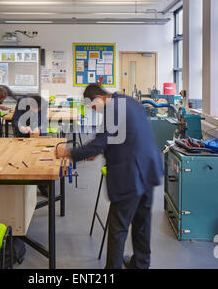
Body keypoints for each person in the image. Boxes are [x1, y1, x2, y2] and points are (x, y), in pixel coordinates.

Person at [56, 84, 164, 269]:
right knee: (142, 222)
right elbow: (127, 135)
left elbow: (101, 141)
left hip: (131, 175)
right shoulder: (128, 101)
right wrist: (101, 150)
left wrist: (68, 153)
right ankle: (141, 264)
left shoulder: (112, 108)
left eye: (93, 107)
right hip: (149, 168)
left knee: (118, 228)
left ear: (98, 98)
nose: (95, 111)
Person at [12, 95, 49, 197]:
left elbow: (44, 122)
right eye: (33, 108)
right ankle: (24, 185)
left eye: (38, 109)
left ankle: (43, 186)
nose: (35, 111)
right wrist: (22, 127)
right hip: (23, 134)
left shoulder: (44, 103)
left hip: (38, 134)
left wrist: (39, 129)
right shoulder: (21, 102)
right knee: (23, 159)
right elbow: (15, 120)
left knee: (40, 159)